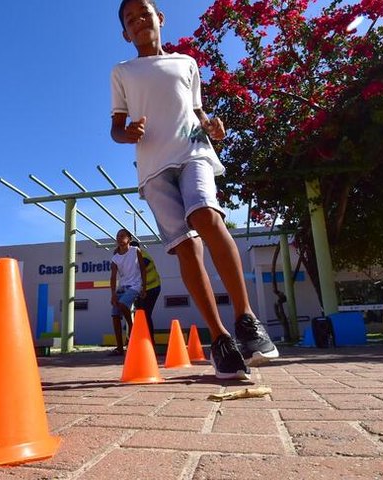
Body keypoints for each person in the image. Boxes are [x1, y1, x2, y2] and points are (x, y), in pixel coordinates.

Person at [110, 0, 278, 379]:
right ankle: (220, 340)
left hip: (193, 152)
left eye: (144, 14)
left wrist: (213, 125)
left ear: (160, 18)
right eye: (130, 20)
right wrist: (127, 134)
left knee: (205, 214)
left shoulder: (186, 63)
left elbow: (198, 111)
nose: (139, 22)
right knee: (186, 247)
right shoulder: (122, 72)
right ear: (124, 32)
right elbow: (116, 127)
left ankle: (246, 319)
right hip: (153, 169)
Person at [109, 229, 146, 355]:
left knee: (124, 305)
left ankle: (132, 330)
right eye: (117, 236)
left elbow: (142, 269)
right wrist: (113, 294)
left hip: (135, 285)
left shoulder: (136, 251)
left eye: (122, 236)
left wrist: (144, 287)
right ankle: (120, 348)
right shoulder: (115, 257)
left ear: (129, 239)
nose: (119, 238)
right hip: (122, 287)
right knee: (114, 314)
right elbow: (113, 277)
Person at [131, 241, 161, 348]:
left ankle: (150, 342)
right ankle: (141, 340)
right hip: (142, 290)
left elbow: (138, 268)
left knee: (145, 314)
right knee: (139, 314)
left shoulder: (144, 257)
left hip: (152, 288)